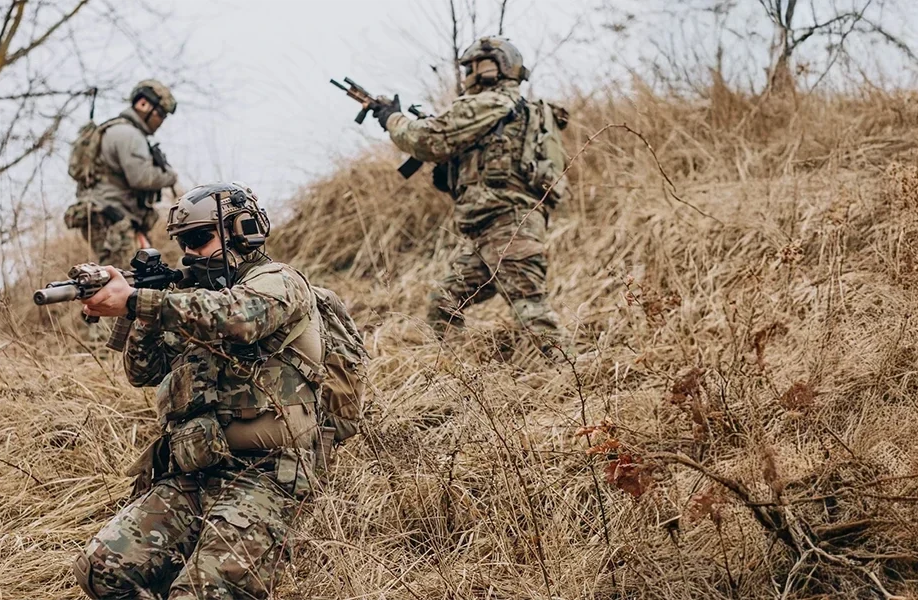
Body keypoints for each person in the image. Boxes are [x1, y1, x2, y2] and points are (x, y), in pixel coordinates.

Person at [72, 183, 323, 599]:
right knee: (101, 569)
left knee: (201, 593)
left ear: (243, 231)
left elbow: (240, 317)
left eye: (199, 239)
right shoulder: (189, 301)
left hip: (267, 476)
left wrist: (140, 301)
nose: (189, 253)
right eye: (182, 243)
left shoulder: (279, 281)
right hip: (194, 475)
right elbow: (143, 372)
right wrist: (147, 310)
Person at [363, 36, 572, 358]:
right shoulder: (512, 112)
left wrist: (392, 118)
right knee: (444, 302)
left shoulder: (493, 103)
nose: (466, 75)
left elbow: (428, 139)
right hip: (489, 230)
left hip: (509, 226)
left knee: (532, 311)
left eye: (470, 68)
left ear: (489, 68)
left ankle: (573, 376)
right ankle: (460, 377)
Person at [69, 79, 181, 266]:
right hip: (113, 219)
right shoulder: (129, 134)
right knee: (125, 281)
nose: (161, 121)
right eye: (160, 113)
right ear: (143, 104)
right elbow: (141, 177)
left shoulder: (117, 130)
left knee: (134, 278)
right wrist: (170, 176)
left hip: (113, 217)